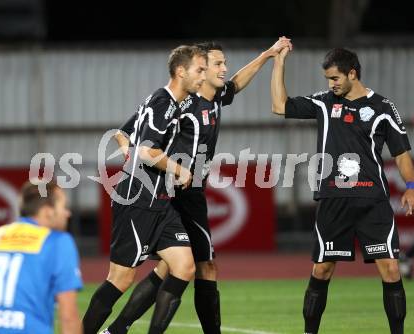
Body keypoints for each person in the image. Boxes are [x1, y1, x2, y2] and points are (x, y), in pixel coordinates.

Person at [102, 38, 292, 334]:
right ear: (198, 70)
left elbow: (238, 83)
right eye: (215, 64)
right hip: (176, 192)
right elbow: (124, 132)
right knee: (201, 266)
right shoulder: (181, 104)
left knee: (173, 268)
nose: (223, 69)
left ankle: (117, 329)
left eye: (222, 63)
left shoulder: (215, 97)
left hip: (192, 190)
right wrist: (133, 154)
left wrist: (267, 56)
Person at [271, 45, 414, 334]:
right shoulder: (324, 102)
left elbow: (401, 153)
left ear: (353, 73)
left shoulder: (383, 108)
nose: (330, 84)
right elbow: (279, 105)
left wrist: (410, 186)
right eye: (327, 79)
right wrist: (279, 62)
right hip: (334, 199)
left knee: (390, 268)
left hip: (373, 200)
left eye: (335, 78)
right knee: (322, 269)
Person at [82, 45, 208, 334]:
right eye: (199, 70)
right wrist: (179, 169)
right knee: (121, 278)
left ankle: (117, 331)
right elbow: (149, 153)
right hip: (138, 198)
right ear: (180, 71)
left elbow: (121, 133)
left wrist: (130, 151)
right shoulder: (163, 103)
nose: (203, 76)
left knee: (185, 265)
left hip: (161, 202)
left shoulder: (164, 101)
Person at [0, 180, 83, 334]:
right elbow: (68, 317)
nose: (68, 213)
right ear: (47, 211)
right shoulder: (57, 241)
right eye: (63, 207)